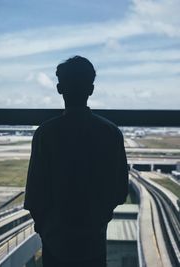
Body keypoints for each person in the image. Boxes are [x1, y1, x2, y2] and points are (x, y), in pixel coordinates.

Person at [24, 56, 129, 267]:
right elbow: (119, 191)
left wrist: (45, 229)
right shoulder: (110, 133)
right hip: (93, 241)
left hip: (56, 241)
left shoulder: (45, 134)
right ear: (91, 89)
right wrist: (98, 219)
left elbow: (35, 193)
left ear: (59, 88)